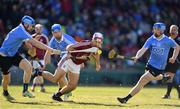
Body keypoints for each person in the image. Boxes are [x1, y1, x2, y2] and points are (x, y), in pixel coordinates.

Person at [117, 22, 180, 103]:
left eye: (156, 29)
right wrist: (137, 56)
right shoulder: (151, 39)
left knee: (142, 80)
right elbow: (142, 49)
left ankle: (126, 98)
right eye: (154, 29)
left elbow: (177, 47)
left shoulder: (167, 40)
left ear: (161, 30)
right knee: (141, 84)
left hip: (158, 67)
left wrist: (174, 57)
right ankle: (162, 77)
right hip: (149, 65)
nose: (154, 31)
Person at [0, 15, 59, 100]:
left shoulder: (22, 30)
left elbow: (28, 41)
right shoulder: (21, 31)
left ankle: (25, 91)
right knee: (7, 80)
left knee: (28, 67)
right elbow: (35, 43)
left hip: (13, 54)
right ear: (26, 25)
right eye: (31, 26)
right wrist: (50, 49)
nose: (32, 28)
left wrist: (33, 39)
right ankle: (5, 92)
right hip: (4, 57)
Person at [34, 32, 103, 102]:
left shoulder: (97, 47)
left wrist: (97, 64)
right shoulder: (85, 44)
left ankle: (56, 95)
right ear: (93, 39)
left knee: (73, 86)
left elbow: (97, 54)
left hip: (76, 64)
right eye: (96, 41)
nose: (97, 43)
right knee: (54, 79)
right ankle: (38, 72)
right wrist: (70, 52)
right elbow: (69, 47)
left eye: (99, 42)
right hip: (68, 60)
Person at [44, 24, 77, 100]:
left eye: (58, 32)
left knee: (58, 77)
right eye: (55, 32)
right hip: (63, 59)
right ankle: (64, 92)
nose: (57, 34)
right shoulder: (53, 40)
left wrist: (80, 61)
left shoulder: (67, 39)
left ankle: (64, 92)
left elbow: (77, 48)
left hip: (71, 58)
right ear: (52, 33)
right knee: (60, 77)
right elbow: (48, 51)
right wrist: (44, 64)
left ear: (61, 31)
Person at [28, 24, 49, 92]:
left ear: (42, 29)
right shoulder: (32, 37)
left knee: (38, 72)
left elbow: (48, 48)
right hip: (34, 58)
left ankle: (35, 87)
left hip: (42, 58)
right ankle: (41, 87)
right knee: (38, 73)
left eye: (39, 28)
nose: (38, 30)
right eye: (37, 28)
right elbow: (29, 48)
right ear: (35, 29)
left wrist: (47, 58)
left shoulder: (44, 37)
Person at [162, 25, 180, 99]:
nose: (173, 31)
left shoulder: (178, 40)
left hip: (175, 61)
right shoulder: (167, 39)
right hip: (166, 61)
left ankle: (168, 94)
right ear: (169, 31)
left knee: (169, 77)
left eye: (175, 29)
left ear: (177, 31)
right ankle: (178, 89)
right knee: (168, 77)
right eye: (172, 29)